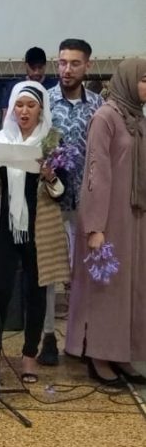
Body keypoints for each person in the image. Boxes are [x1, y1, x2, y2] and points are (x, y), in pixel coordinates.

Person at [65, 58, 146, 386]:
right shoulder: (105, 117)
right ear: (129, 81)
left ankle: (122, 353)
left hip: (135, 218)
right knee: (106, 288)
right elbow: (96, 174)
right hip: (109, 219)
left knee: (132, 287)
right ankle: (98, 354)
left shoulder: (137, 119)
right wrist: (95, 227)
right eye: (144, 79)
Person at [0, 82, 68, 383]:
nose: (24, 111)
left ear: (41, 109)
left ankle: (29, 357)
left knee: (36, 292)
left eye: (30, 106)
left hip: (39, 226)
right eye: (19, 105)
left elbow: (62, 191)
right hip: (5, 226)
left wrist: (50, 176)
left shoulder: (52, 141)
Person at [37, 39, 103, 366]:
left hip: (88, 202)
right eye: (62, 62)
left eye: (74, 63)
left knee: (86, 271)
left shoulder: (98, 105)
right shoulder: (45, 102)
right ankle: (49, 335)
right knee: (51, 271)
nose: (66, 69)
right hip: (53, 200)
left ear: (87, 66)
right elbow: (41, 147)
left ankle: (83, 336)